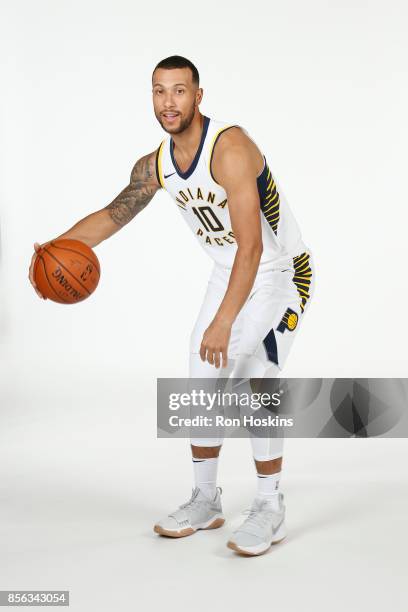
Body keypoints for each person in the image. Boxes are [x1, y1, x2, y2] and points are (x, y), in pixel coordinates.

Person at [29, 55, 315, 556]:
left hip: (279, 272)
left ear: (198, 96)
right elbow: (112, 216)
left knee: (254, 374)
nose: (168, 102)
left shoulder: (230, 149)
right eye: (159, 91)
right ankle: (206, 498)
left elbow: (252, 248)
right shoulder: (156, 164)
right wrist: (51, 250)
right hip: (231, 272)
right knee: (201, 376)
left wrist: (225, 321)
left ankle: (271, 506)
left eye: (179, 91)